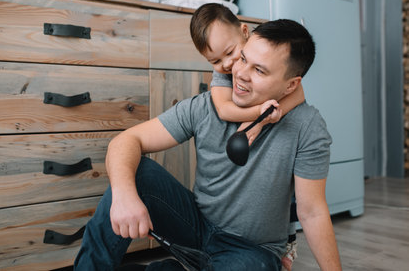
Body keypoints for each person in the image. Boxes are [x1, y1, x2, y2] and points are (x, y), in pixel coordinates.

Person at [74, 19, 342, 271]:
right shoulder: (206, 106)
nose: (241, 74)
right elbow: (126, 141)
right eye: (244, 59)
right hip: (197, 227)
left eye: (259, 70)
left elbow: (312, 212)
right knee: (135, 173)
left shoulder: (307, 126)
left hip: (250, 251)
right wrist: (124, 197)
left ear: (291, 86)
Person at [190, 3, 303, 270]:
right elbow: (224, 109)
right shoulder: (221, 77)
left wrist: (268, 119)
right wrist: (257, 116)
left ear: (244, 31)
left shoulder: (269, 55)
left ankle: (286, 246)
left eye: (230, 53)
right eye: (215, 61)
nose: (227, 65)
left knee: (286, 195)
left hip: (274, 143)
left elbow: (298, 94)